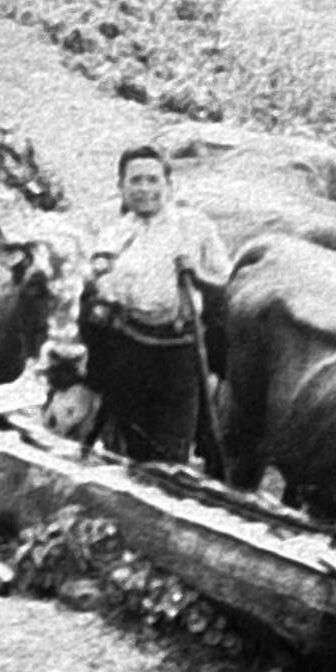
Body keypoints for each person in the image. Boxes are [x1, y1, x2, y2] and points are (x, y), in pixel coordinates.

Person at [77, 144, 233, 465]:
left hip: (179, 352)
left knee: (171, 455)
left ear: (168, 184)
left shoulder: (194, 226)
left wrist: (198, 274)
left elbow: (226, 286)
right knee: (128, 449)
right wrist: (97, 281)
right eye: (135, 181)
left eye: (152, 179)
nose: (144, 189)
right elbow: (96, 293)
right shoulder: (114, 234)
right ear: (121, 187)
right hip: (128, 350)